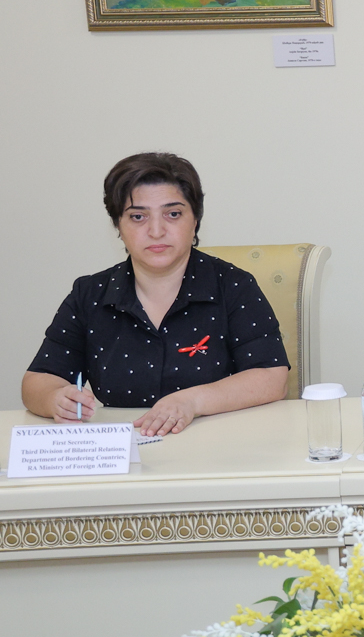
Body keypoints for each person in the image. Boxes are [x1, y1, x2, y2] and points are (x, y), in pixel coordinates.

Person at [22, 153, 289, 433]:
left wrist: (192, 401)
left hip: (217, 442)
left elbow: (272, 377)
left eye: (173, 214)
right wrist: (55, 399)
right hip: (126, 448)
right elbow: (38, 379)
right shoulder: (90, 294)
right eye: (138, 217)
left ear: (195, 220)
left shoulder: (234, 285)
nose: (156, 231)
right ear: (118, 225)